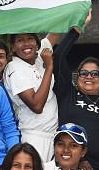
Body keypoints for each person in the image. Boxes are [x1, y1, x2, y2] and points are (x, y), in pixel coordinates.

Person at [52, 24, 99, 170]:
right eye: (84, 73)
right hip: (70, 168)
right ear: (77, 77)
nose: (89, 77)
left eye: (95, 73)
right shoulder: (68, 94)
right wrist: (76, 29)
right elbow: (59, 56)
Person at [3, 33, 58, 161]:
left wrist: (74, 16)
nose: (26, 44)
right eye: (20, 40)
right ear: (12, 47)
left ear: (37, 43)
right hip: (34, 137)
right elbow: (37, 106)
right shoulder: (15, 68)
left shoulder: (37, 58)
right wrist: (49, 67)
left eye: (30, 39)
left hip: (52, 135)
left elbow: (55, 32)